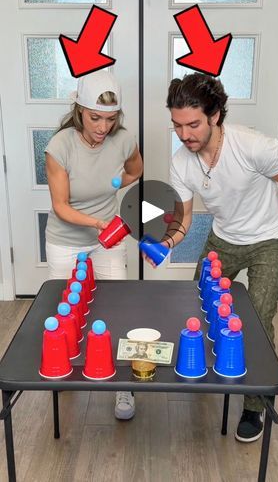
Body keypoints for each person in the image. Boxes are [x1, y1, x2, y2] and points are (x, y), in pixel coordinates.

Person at [146, 72, 278, 442]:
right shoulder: (182, 162)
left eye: (193, 124)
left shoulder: (253, 146)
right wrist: (165, 245)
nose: (185, 135)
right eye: (177, 125)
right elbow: (183, 220)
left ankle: (255, 405)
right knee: (199, 305)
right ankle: (203, 368)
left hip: (269, 241)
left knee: (258, 320)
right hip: (222, 240)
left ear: (215, 115)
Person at [45, 69, 143, 420]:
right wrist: (98, 222)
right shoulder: (60, 145)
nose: (103, 127)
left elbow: (136, 170)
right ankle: (63, 372)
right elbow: (60, 206)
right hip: (66, 239)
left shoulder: (123, 139)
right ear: (79, 110)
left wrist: (119, 181)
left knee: (116, 310)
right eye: (95, 118)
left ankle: (123, 389)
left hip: (108, 240)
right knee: (65, 313)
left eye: (111, 118)